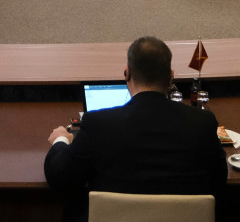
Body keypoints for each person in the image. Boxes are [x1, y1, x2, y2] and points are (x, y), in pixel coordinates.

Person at [44, 36, 225, 221]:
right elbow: (219, 180)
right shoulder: (203, 122)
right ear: (171, 76)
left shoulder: (97, 123)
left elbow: (60, 178)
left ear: (127, 73)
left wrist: (61, 139)